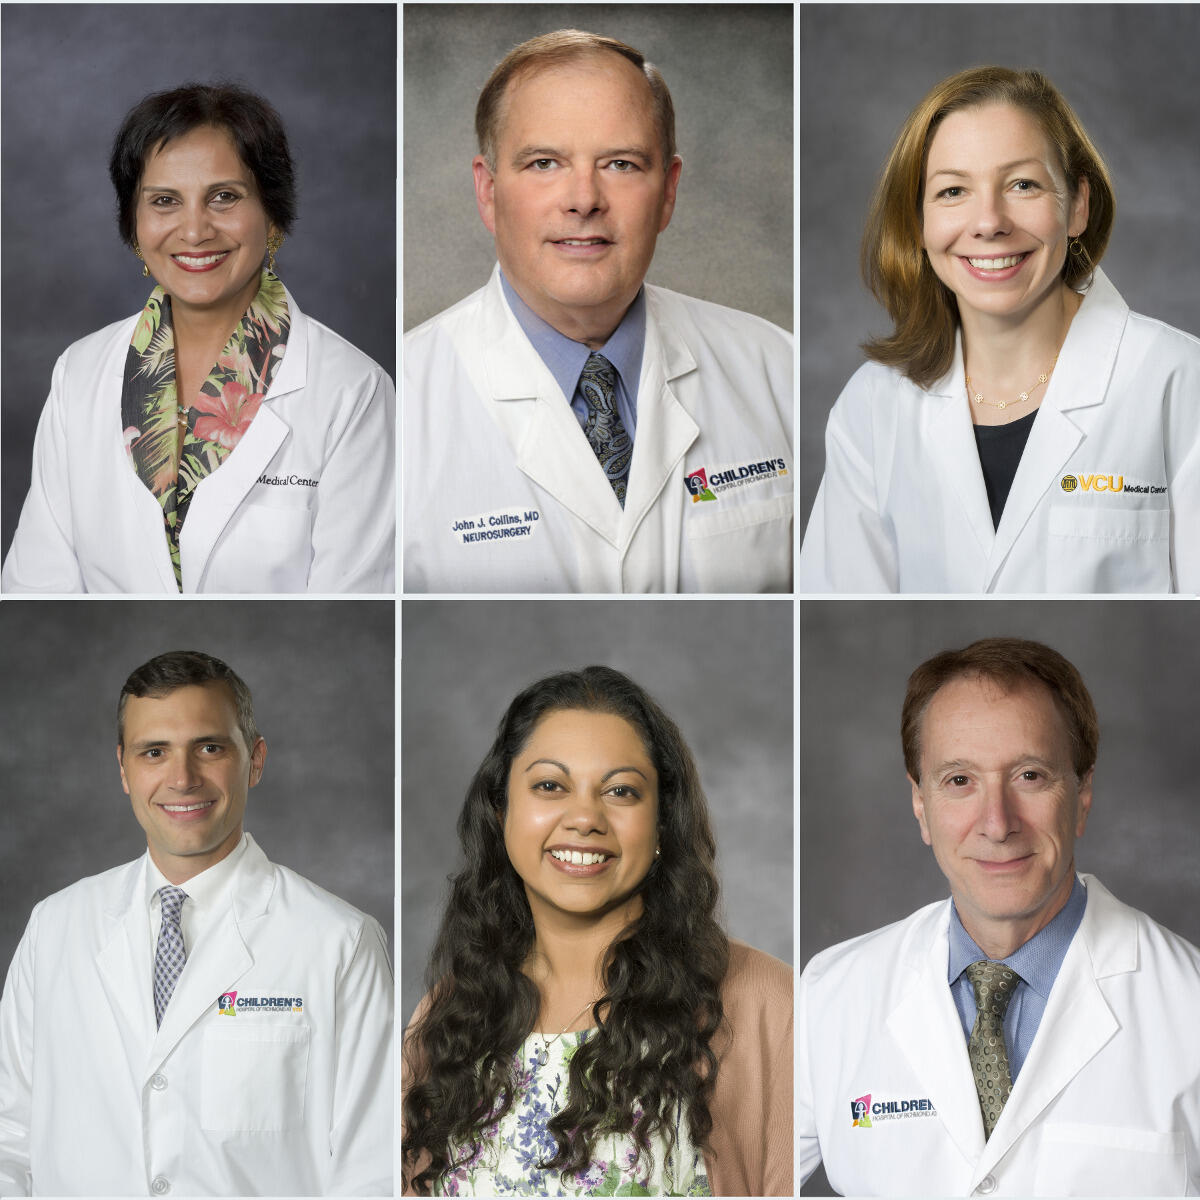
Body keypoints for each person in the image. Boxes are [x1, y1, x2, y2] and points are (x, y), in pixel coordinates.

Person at [798, 637, 1200, 1194]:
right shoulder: (827, 997)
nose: (997, 823)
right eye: (959, 781)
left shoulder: (1189, 1006)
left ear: (1082, 794)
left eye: (1029, 775)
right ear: (921, 805)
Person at [403, 31, 793, 594]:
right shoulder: (403, 404)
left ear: (668, 192)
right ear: (488, 191)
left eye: (620, 164)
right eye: (544, 163)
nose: (584, 199)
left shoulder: (776, 367)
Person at [0, 651, 393, 1195]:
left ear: (255, 760)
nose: (182, 779)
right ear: (123, 769)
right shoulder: (54, 929)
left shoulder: (339, 944)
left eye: (209, 748)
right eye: (154, 752)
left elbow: (371, 1171)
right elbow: (10, 1140)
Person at [798, 67, 1200, 593]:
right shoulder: (873, 405)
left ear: (1077, 206)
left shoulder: (1179, 380)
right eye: (953, 191)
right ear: (918, 223)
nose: (989, 222)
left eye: (1023, 184)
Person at [402, 666, 792, 1195]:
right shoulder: (452, 1010)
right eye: (549, 786)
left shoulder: (765, 999)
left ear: (661, 822)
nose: (585, 817)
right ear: (500, 811)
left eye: (620, 791)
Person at [2, 84, 394, 594]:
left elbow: (358, 595)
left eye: (224, 197)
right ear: (134, 224)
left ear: (272, 214)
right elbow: (36, 588)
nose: (193, 231)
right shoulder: (79, 372)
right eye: (164, 201)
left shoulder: (353, 390)